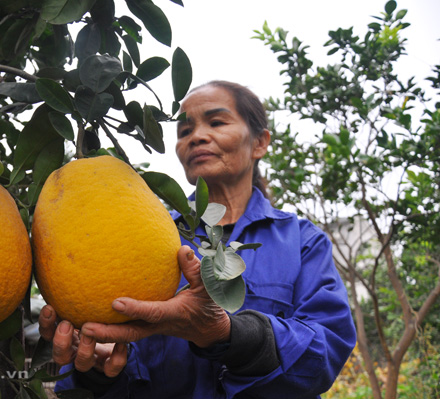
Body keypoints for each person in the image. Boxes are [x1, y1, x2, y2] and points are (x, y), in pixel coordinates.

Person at [38, 80, 357, 398]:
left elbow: (328, 351)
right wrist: (98, 371)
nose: (197, 137)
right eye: (184, 131)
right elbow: (120, 364)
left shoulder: (301, 241)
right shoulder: (146, 236)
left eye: (216, 122)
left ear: (260, 142)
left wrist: (230, 334)